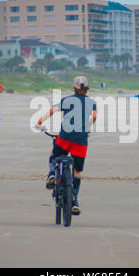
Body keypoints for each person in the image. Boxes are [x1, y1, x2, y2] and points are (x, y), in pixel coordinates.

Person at [36, 76, 97, 215]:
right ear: (87, 88)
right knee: (77, 171)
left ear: (74, 88)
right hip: (81, 140)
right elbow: (94, 117)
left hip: (65, 137)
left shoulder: (66, 100)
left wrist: (40, 121)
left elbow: (52, 111)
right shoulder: (92, 102)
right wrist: (89, 127)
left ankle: (52, 175)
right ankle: (74, 200)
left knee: (54, 155)